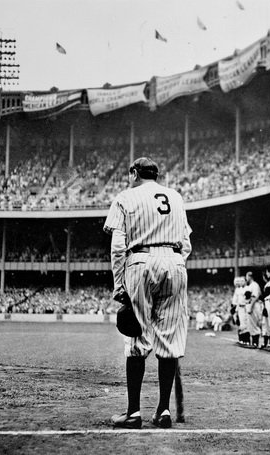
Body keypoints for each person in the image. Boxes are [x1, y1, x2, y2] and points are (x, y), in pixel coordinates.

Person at [104, 157, 192, 429]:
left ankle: (133, 413)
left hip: (140, 261)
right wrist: (174, 263)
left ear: (134, 173)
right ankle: (163, 411)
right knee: (169, 341)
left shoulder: (125, 197)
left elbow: (118, 246)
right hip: (175, 261)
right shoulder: (176, 197)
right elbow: (186, 243)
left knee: (137, 339)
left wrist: (119, 284)